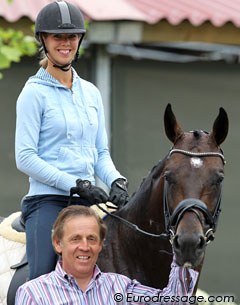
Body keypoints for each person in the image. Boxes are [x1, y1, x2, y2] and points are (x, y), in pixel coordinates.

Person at [15, 0, 128, 281]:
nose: (65, 43)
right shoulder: (33, 93)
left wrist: (116, 180)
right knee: (41, 278)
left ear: (79, 40)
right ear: (44, 39)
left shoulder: (91, 93)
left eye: (72, 37)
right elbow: (25, 157)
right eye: (58, 37)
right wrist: (77, 184)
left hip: (86, 201)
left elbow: (100, 151)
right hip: (47, 201)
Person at [15, 205, 199, 305]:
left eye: (92, 239)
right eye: (76, 239)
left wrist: (184, 251)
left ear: (101, 244)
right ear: (58, 244)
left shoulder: (121, 287)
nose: (85, 247)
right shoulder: (33, 294)